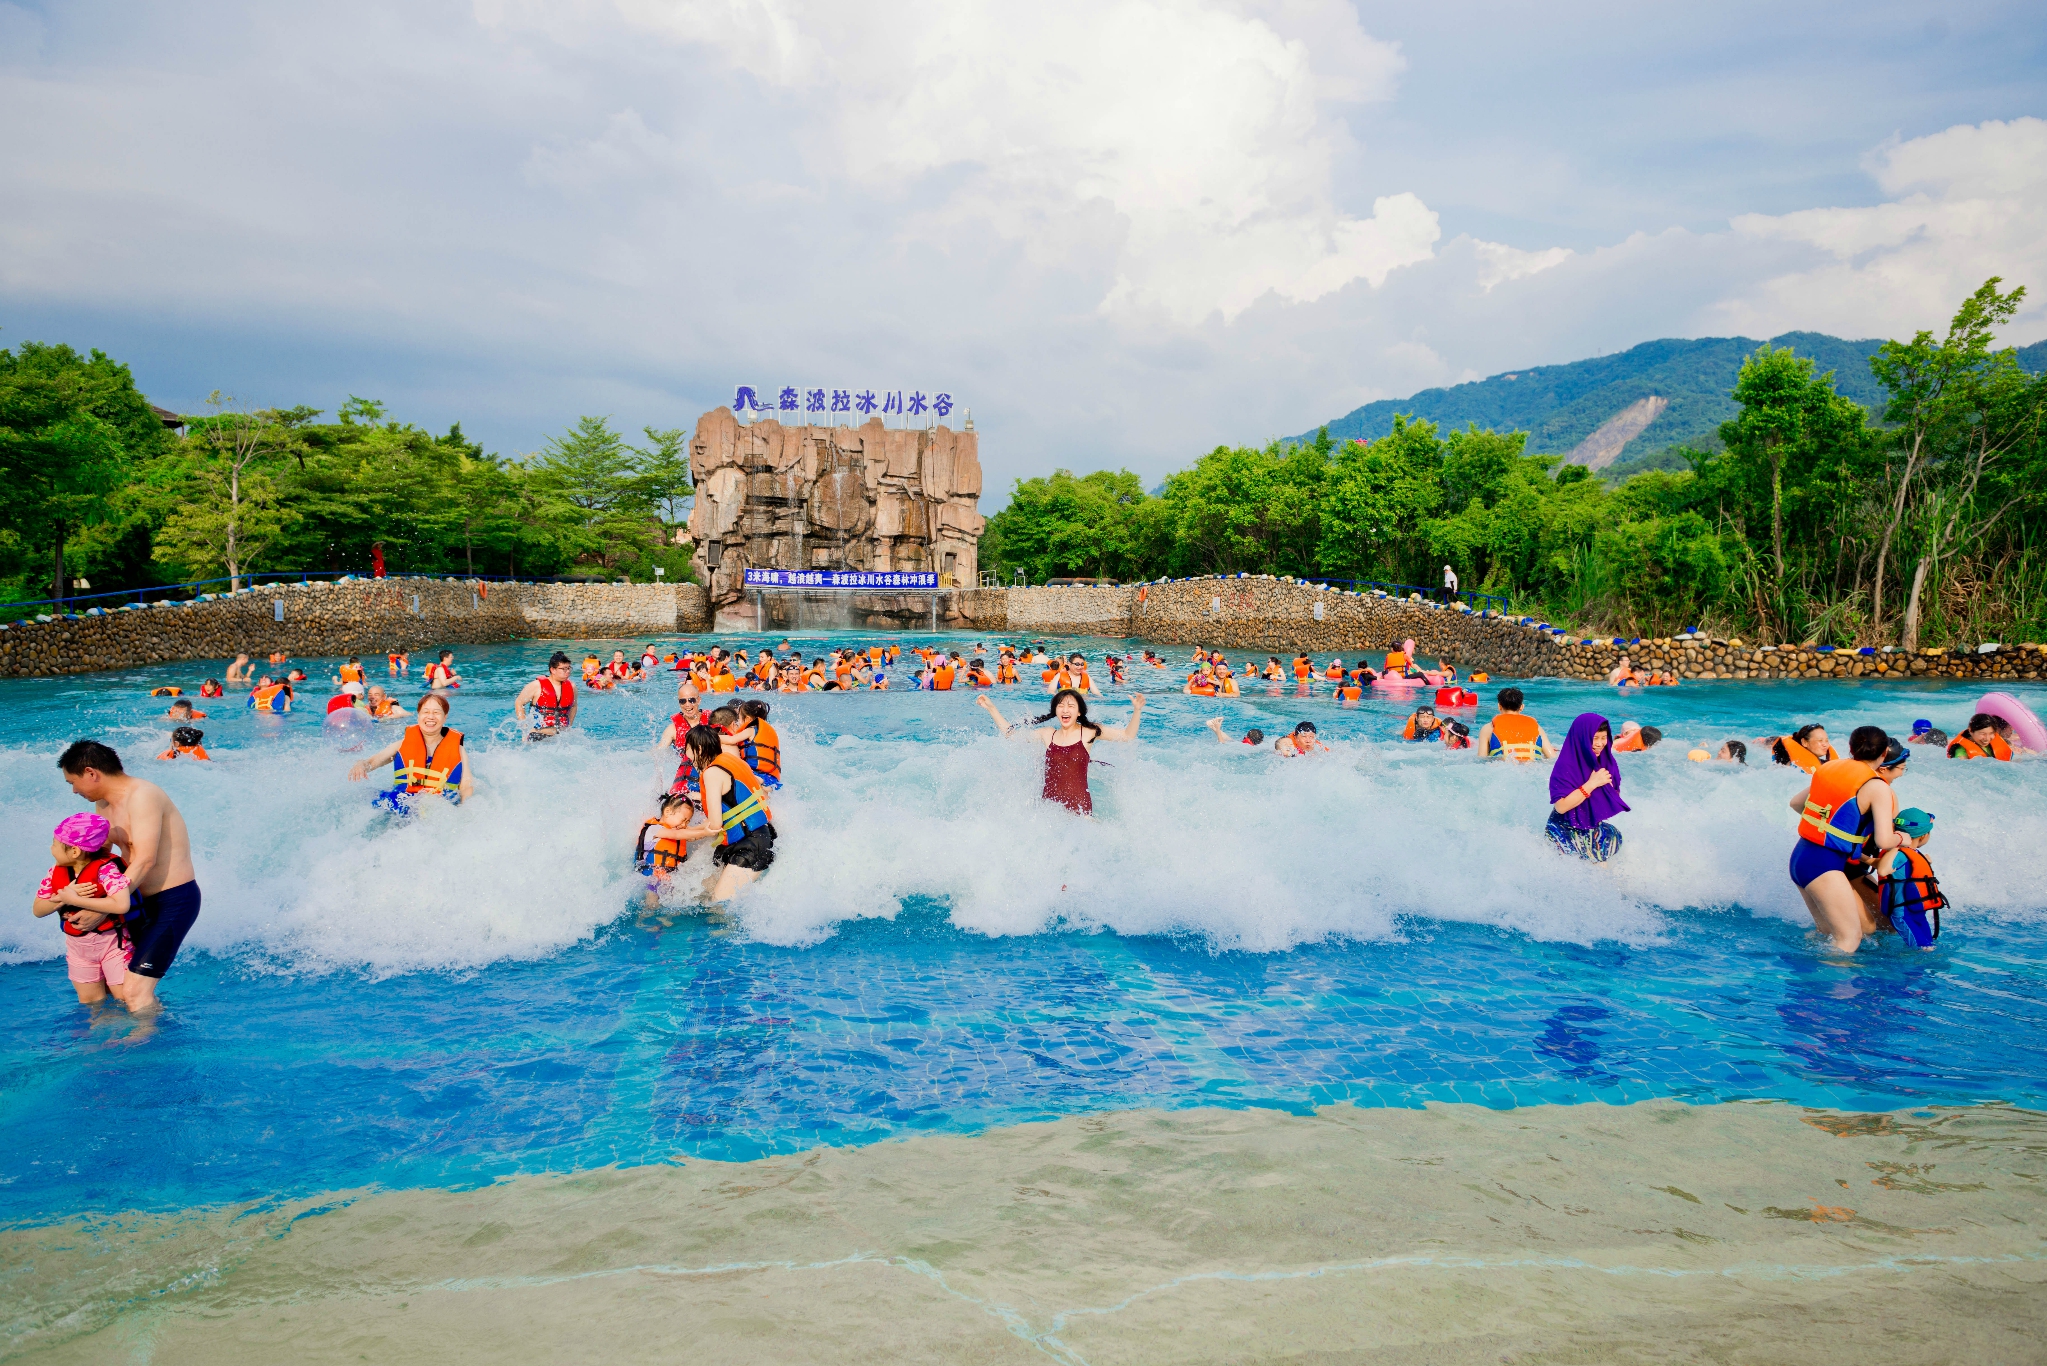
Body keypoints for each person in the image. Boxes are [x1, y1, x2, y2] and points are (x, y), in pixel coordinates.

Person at [58, 740, 199, 1013]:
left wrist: (103, 910)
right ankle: (124, 1040)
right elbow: (99, 860)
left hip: (172, 901)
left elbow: (146, 859)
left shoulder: (143, 795)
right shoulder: (104, 803)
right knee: (118, 988)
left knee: (136, 991)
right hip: (131, 901)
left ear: (91, 773)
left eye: (73, 782)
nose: (74, 790)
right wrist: (73, 896)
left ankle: (143, 1053)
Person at [1787, 727, 1906, 952]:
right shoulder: (1877, 786)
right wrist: (1904, 838)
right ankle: (1833, 987)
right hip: (1825, 865)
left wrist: (1828, 828)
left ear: (1851, 749)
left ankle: (1806, 981)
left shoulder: (1829, 767)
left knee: (1825, 934)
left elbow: (1796, 803)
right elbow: (1883, 840)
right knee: (1849, 939)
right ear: (1883, 755)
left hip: (1801, 857)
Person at [977, 688, 1145, 815]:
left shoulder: (1090, 731)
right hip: (1049, 811)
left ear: (1079, 712)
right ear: (1055, 711)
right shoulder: (1047, 734)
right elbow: (1011, 736)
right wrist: (992, 709)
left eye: (1071, 706)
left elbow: (1126, 736)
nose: (1065, 710)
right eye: (1061, 706)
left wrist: (1137, 710)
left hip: (1080, 811)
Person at [32, 812, 135, 1007]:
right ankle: (103, 1035)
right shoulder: (55, 872)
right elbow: (38, 910)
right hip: (78, 950)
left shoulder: (106, 870)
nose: (51, 849)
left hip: (114, 945)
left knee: (125, 997)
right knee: (90, 1002)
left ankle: (144, 1029)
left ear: (75, 852)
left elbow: (122, 904)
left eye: (55, 844)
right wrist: (63, 897)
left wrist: (76, 899)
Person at [670, 722, 776, 901]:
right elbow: (762, 787)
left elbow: (715, 825)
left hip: (751, 845)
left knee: (718, 905)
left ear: (699, 749)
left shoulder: (712, 773)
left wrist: (689, 834)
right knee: (701, 894)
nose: (684, 753)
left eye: (687, 748)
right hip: (754, 837)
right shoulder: (732, 759)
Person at [350, 692, 471, 808]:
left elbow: (466, 786)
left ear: (445, 717)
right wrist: (360, 764)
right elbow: (371, 762)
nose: (430, 717)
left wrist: (464, 808)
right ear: (418, 715)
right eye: (426, 712)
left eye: (436, 712)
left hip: (439, 808)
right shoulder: (401, 745)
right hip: (403, 804)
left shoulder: (458, 750)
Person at [1547, 714, 1627, 861]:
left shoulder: (1607, 761)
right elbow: (1561, 807)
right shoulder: (1566, 765)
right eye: (1595, 738)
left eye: (1604, 738)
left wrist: (1610, 791)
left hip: (1590, 826)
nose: (1600, 743)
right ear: (1582, 738)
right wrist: (1591, 784)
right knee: (1596, 867)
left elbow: (1614, 797)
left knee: (1612, 843)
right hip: (1563, 829)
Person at [1875, 807, 1946, 949]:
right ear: (1923, 835)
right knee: (1922, 949)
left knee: (1928, 945)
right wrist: (1896, 845)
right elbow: (1883, 870)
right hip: (1903, 914)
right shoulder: (1899, 853)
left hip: (1916, 912)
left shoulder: (1913, 853)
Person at [654, 685, 706, 793]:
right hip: (687, 775)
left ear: (699, 700)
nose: (687, 705)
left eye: (692, 700)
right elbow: (659, 751)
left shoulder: (711, 721)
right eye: (683, 701)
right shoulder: (672, 730)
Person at [1478, 688, 1552, 762]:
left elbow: (1481, 759)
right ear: (1521, 707)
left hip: (1503, 768)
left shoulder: (1488, 728)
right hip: (1532, 768)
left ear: (1499, 706)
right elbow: (1552, 757)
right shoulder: (1537, 728)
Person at [515, 652, 577, 739]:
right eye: (564, 669)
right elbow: (519, 703)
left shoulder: (572, 686)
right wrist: (524, 728)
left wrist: (569, 726)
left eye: (569, 668)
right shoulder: (536, 685)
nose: (568, 672)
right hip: (537, 734)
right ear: (553, 670)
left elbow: (573, 706)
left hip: (560, 737)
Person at [734, 698, 783, 788]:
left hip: (758, 776)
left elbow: (731, 740)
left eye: (739, 718)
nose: (738, 722)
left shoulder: (750, 731)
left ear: (747, 719)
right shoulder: (767, 731)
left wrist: (714, 736)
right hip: (772, 778)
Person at [1765, 724, 1836, 774]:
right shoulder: (1788, 764)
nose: (1825, 744)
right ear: (1804, 742)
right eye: (1820, 741)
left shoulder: (1822, 764)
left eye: (1826, 741)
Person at [1948, 713, 2013, 760]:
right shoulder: (1961, 750)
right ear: (1971, 731)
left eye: (1991, 733)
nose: (1987, 739)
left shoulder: (1996, 740)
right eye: (1983, 734)